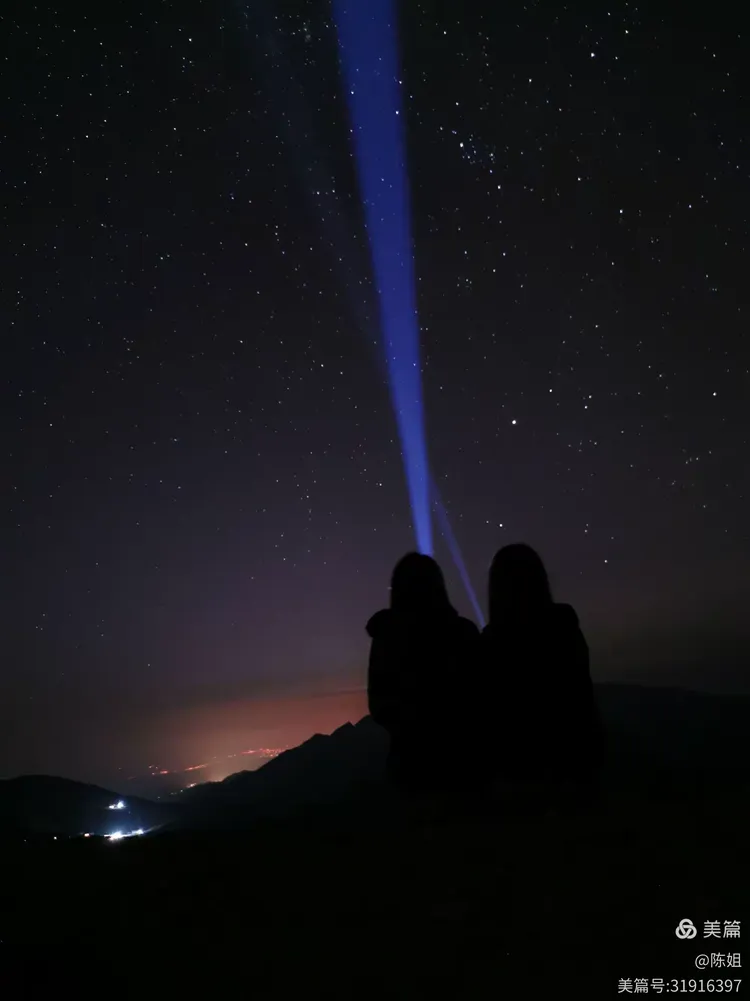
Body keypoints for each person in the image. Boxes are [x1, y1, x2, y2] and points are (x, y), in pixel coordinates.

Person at [481, 543, 604, 812]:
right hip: (567, 773)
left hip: (513, 778)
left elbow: (489, 713)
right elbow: (580, 698)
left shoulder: (491, 642)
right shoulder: (563, 628)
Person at [366, 552, 480, 800]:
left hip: (410, 770)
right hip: (464, 766)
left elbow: (380, 704)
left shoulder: (388, 639)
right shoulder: (463, 634)